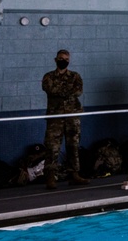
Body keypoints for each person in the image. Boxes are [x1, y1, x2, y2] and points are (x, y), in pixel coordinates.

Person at [41, 49, 89, 189]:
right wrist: (67, 92)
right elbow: (49, 89)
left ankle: (74, 174)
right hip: (55, 117)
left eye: (66, 59)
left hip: (72, 116)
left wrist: (63, 92)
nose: (64, 61)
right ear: (56, 59)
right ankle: (50, 176)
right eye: (61, 58)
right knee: (52, 147)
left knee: (73, 146)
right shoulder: (48, 76)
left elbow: (78, 91)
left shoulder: (75, 76)